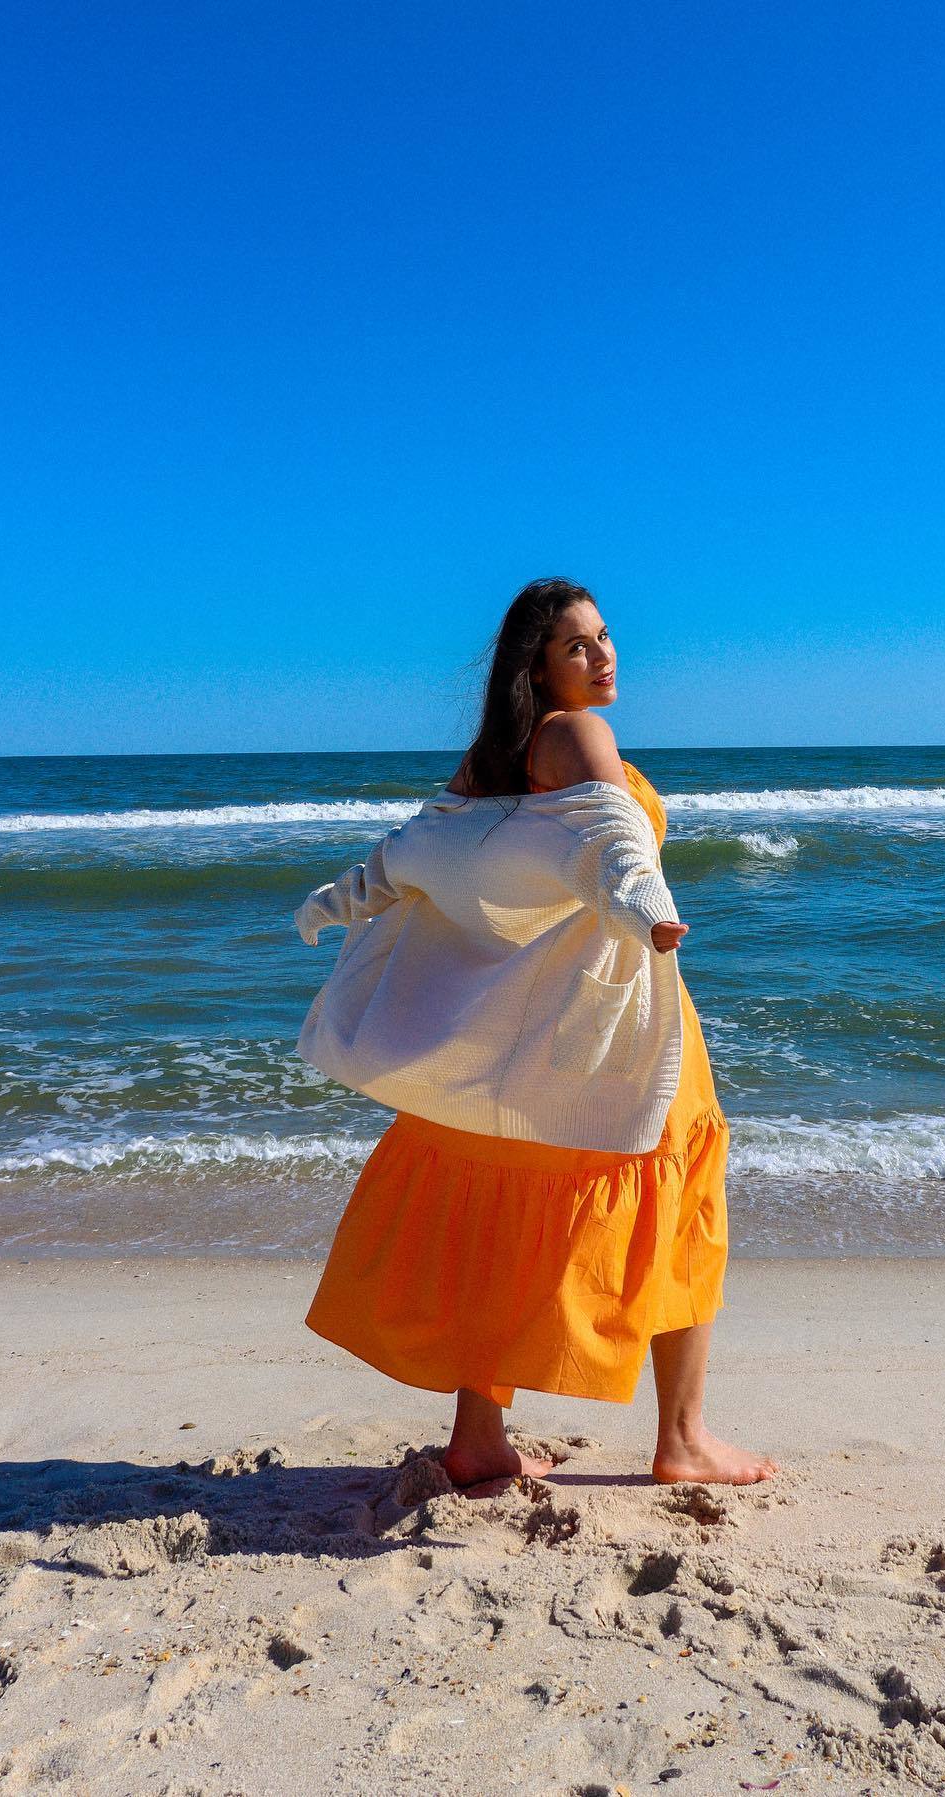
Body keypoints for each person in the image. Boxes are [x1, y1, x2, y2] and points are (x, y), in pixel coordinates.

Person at [294, 578, 777, 1488]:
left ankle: (479, 1438)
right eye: (577, 645)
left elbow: (415, 852)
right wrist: (647, 901)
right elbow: (615, 836)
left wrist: (341, 899)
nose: (603, 656)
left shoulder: (492, 760)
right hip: (611, 1021)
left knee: (502, 1218)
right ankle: (683, 1439)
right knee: (680, 1201)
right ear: (538, 666)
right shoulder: (577, 734)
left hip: (528, 1038)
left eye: (604, 636)